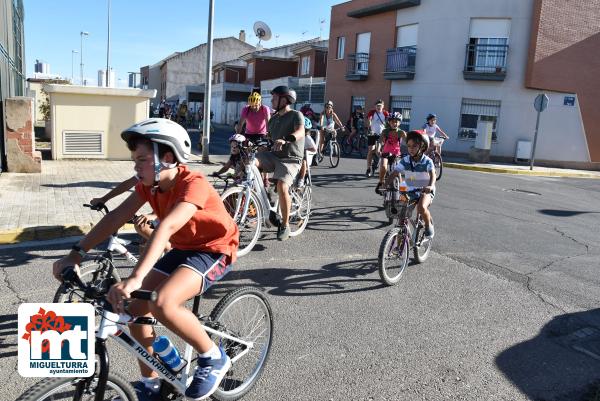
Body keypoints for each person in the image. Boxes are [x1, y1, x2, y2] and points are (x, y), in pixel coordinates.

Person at [52, 118, 239, 401]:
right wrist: (75, 254)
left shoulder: (194, 183)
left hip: (213, 249)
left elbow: (166, 228)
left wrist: (136, 276)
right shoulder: (149, 187)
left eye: (141, 159)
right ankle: (152, 383)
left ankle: (213, 356)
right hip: (183, 248)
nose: (135, 166)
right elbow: (117, 217)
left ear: (167, 157)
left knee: (162, 301)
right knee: (133, 310)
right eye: (134, 160)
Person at [254, 85, 305, 241]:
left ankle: (285, 225)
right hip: (274, 156)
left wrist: (286, 139)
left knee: (282, 186)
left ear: (285, 100)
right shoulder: (274, 118)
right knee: (250, 162)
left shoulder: (296, 115)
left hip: (290, 159)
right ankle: (262, 196)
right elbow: (269, 138)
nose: (272, 100)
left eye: (275, 98)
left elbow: (300, 132)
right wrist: (262, 145)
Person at [89, 177, 169, 252]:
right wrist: (103, 199)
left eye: (142, 160)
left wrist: (153, 216)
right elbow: (128, 183)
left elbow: (173, 203)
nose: (136, 166)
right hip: (159, 210)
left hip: (172, 214)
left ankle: (172, 252)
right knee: (144, 244)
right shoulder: (146, 171)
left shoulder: (165, 172)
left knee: (143, 227)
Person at [388, 130, 436, 238]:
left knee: (421, 208)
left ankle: (428, 226)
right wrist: (385, 184)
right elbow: (395, 173)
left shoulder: (427, 161)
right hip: (410, 189)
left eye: (414, 146)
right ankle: (399, 246)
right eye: (409, 146)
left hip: (425, 190)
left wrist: (430, 186)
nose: (411, 149)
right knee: (401, 214)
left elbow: (432, 175)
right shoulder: (405, 160)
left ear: (422, 146)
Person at [375, 112, 406, 195]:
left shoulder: (401, 132)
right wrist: (378, 149)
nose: (394, 123)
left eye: (396, 121)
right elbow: (380, 141)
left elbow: (408, 142)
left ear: (399, 122)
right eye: (392, 121)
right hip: (385, 153)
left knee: (398, 173)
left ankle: (402, 191)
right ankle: (381, 182)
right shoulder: (385, 131)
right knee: (384, 167)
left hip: (396, 154)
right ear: (389, 122)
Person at [366, 99, 390, 177]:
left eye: (380, 106)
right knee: (370, 150)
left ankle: (378, 165)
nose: (379, 107)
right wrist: (369, 126)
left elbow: (388, 122)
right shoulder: (372, 112)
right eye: (377, 106)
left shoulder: (385, 113)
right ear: (375, 106)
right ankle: (368, 168)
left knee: (379, 151)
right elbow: (369, 119)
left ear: (383, 106)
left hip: (381, 135)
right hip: (372, 134)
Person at [297, 116, 317, 188]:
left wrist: (306, 150)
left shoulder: (308, 138)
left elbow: (314, 150)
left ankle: (301, 179)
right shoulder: (296, 136)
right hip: (296, 154)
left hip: (305, 156)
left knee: (303, 162)